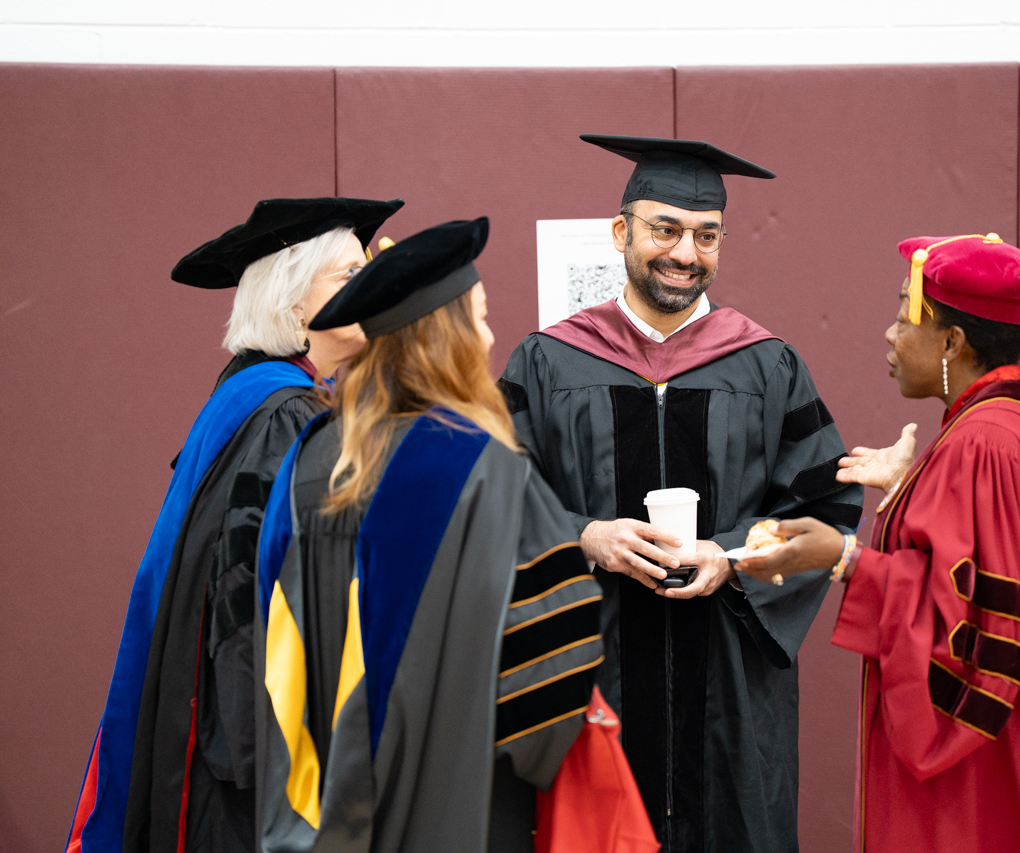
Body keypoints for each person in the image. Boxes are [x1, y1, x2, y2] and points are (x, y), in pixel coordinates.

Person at [500, 134, 864, 852]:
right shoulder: (547, 363)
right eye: (664, 229)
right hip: (591, 678)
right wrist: (585, 536)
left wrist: (731, 556)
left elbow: (825, 510)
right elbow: (497, 502)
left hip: (729, 693)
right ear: (621, 233)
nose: (685, 253)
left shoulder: (767, 367)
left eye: (706, 235)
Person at [738, 234, 1020, 853]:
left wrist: (842, 558)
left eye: (905, 316)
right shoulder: (1016, 425)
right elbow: (978, 570)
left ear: (952, 342)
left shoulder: (983, 446)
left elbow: (968, 628)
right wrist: (906, 488)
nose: (890, 335)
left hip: (981, 784)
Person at [255, 217, 605, 852]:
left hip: (320, 804)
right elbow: (551, 691)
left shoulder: (308, 460)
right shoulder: (488, 471)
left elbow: (277, 641)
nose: (490, 336)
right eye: (481, 318)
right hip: (463, 809)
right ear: (451, 340)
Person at [66, 197, 403, 853]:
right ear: (295, 303)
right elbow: (254, 600)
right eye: (349, 274)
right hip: (248, 766)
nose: (372, 286)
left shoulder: (252, 394)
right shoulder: (284, 413)